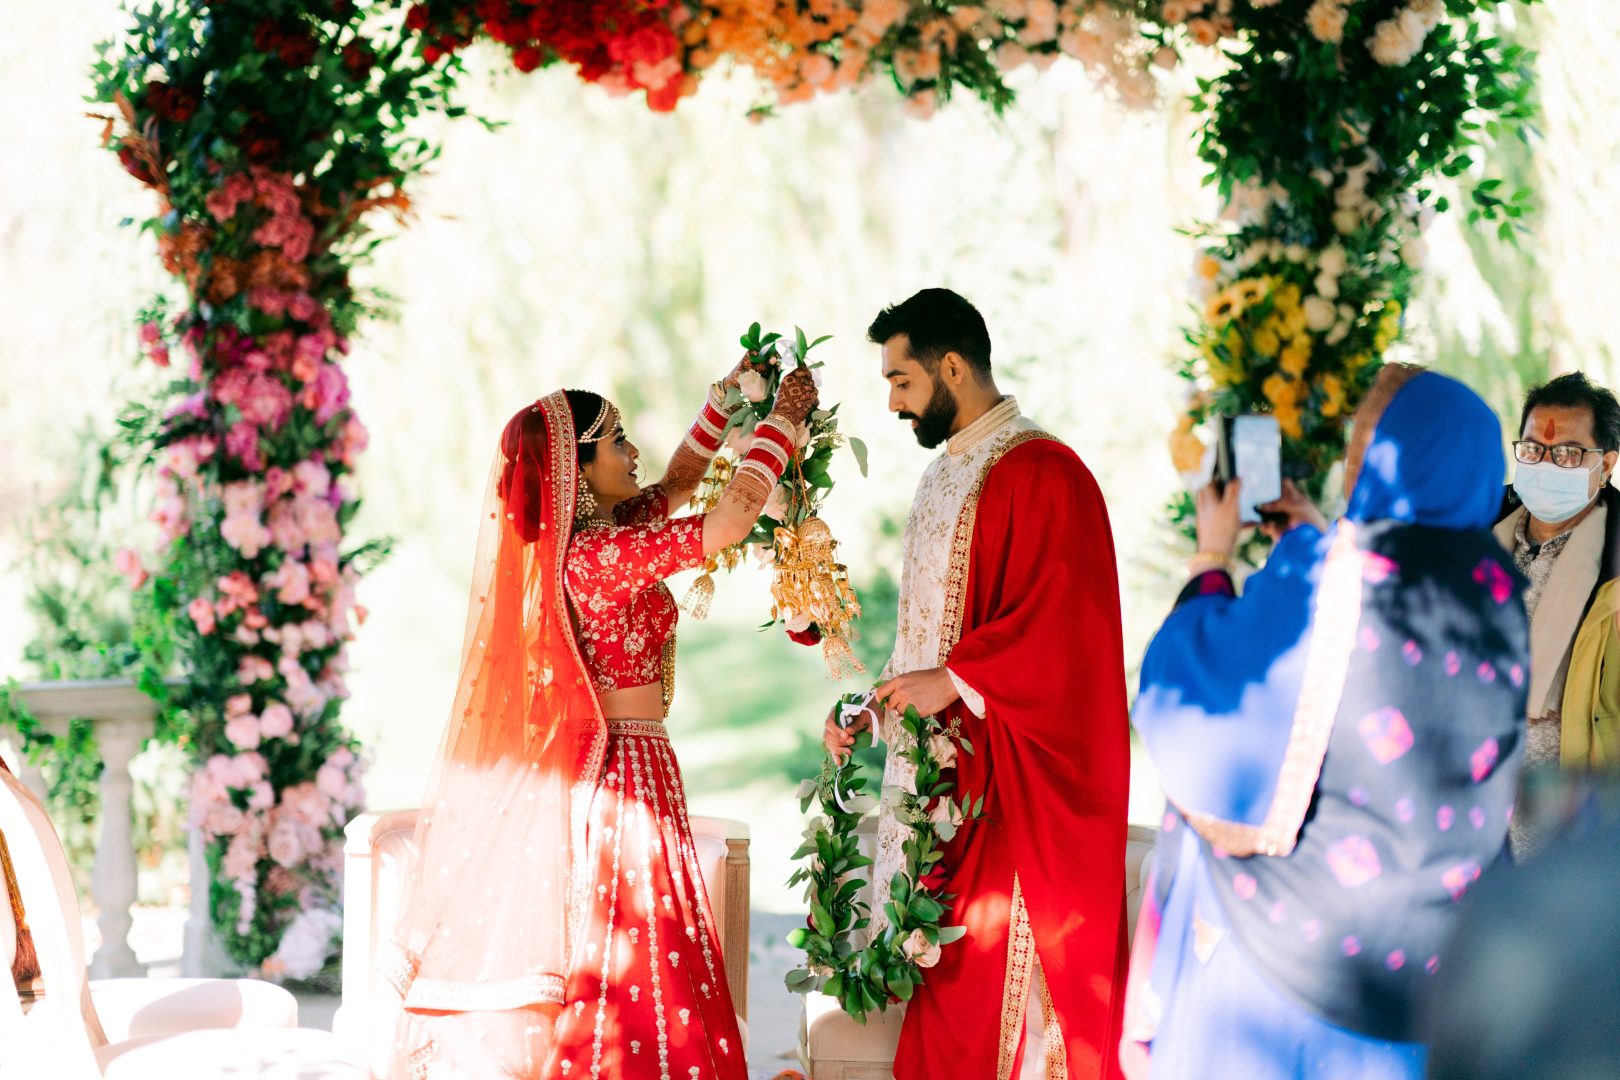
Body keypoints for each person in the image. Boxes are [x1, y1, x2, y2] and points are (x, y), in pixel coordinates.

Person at [380, 361, 818, 1079]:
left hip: (642, 762)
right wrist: (783, 424)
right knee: (642, 954)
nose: (631, 450)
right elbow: (730, 519)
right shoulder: (595, 558)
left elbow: (677, 485)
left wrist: (723, 401)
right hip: (624, 776)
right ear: (577, 467)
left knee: (658, 948)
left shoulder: (601, 535)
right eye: (615, 439)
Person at [1121, 365, 1529, 1079]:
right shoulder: (1497, 600)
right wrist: (1315, 538)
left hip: (1292, 988)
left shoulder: (1334, 580)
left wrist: (1212, 557)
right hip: (1424, 985)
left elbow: (1187, 698)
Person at [824, 288, 1131, 1079]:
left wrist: (956, 680)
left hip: (1009, 788)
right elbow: (927, 635)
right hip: (943, 783)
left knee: (996, 996)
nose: (892, 403)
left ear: (951, 366)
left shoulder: (1045, 472)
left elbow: (1067, 633)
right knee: (949, 988)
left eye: (902, 382)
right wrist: (875, 702)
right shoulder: (943, 475)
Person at [1494, 373, 1620, 857]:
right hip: (1473, 806)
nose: (1546, 465)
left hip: (1567, 824)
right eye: (1532, 450)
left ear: (1606, 465)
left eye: (1568, 453)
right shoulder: (1479, 531)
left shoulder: (1614, 557)